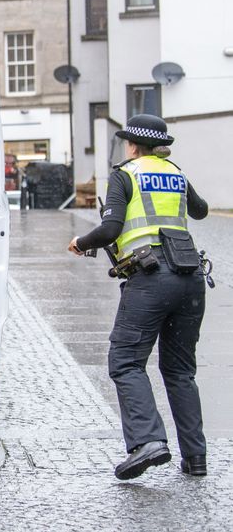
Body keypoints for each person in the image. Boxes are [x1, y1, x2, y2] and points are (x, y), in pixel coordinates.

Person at [68, 114, 209, 480]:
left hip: (151, 278)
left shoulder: (125, 174)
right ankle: (195, 458)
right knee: (180, 371)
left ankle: (148, 442)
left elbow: (110, 228)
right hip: (190, 276)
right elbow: (201, 210)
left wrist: (81, 243)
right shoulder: (175, 172)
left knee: (126, 361)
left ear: (131, 144)